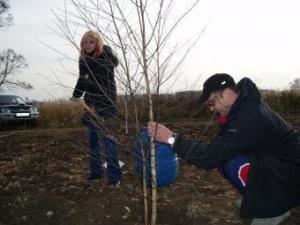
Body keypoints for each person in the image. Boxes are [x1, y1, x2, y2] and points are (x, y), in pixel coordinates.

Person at [147, 73, 300, 225]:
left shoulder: (248, 118)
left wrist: (171, 139)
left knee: (231, 162)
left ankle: (274, 207)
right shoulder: (245, 105)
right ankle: (261, 195)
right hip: (279, 164)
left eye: (212, 102)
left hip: (290, 175)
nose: (212, 109)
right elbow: (220, 147)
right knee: (228, 159)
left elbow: (210, 157)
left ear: (226, 93)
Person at [71, 30, 122, 185]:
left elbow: (114, 63)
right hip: (90, 103)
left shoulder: (105, 54)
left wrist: (104, 49)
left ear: (98, 42)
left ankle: (114, 178)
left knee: (109, 141)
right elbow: (83, 78)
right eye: (85, 42)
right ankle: (96, 172)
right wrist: (76, 94)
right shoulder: (83, 59)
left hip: (106, 102)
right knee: (93, 141)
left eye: (91, 42)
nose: (87, 45)